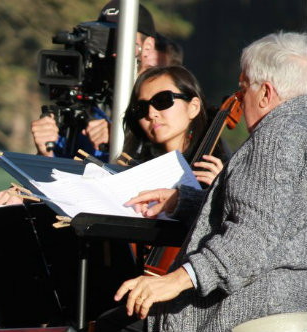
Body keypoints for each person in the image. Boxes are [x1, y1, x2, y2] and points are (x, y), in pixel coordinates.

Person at [109, 31, 307, 332]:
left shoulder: (274, 136)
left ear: (266, 93)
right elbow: (279, 217)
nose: (239, 99)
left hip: (246, 307)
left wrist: (176, 281)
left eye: (244, 88)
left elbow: (251, 240)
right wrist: (185, 201)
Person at [32, 0, 157, 161]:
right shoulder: (88, 105)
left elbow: (168, 156)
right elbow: (57, 174)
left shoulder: (161, 100)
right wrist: (45, 153)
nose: (109, 48)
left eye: (119, 38)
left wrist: (121, 138)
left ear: (147, 47)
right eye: (103, 39)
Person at [122, 65, 225, 186]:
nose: (151, 114)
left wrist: (220, 192)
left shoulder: (218, 167)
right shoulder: (134, 169)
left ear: (193, 107)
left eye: (162, 100)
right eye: (141, 107)